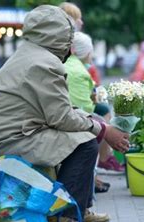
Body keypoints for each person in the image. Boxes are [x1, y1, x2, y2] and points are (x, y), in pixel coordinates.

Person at [0, 5, 129, 222]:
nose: (70, 45)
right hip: (8, 141)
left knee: (87, 130)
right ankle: (63, 219)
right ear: (58, 37)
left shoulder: (30, 53)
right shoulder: (44, 63)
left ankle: (79, 209)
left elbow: (61, 108)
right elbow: (61, 117)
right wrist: (103, 129)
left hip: (10, 135)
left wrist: (98, 123)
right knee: (86, 143)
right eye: (68, 38)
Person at [60, 2, 125, 175]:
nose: (81, 22)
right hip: (68, 116)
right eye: (77, 18)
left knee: (103, 116)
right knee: (101, 122)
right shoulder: (73, 63)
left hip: (66, 112)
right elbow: (82, 108)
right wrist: (102, 127)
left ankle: (104, 160)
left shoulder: (69, 60)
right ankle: (103, 161)